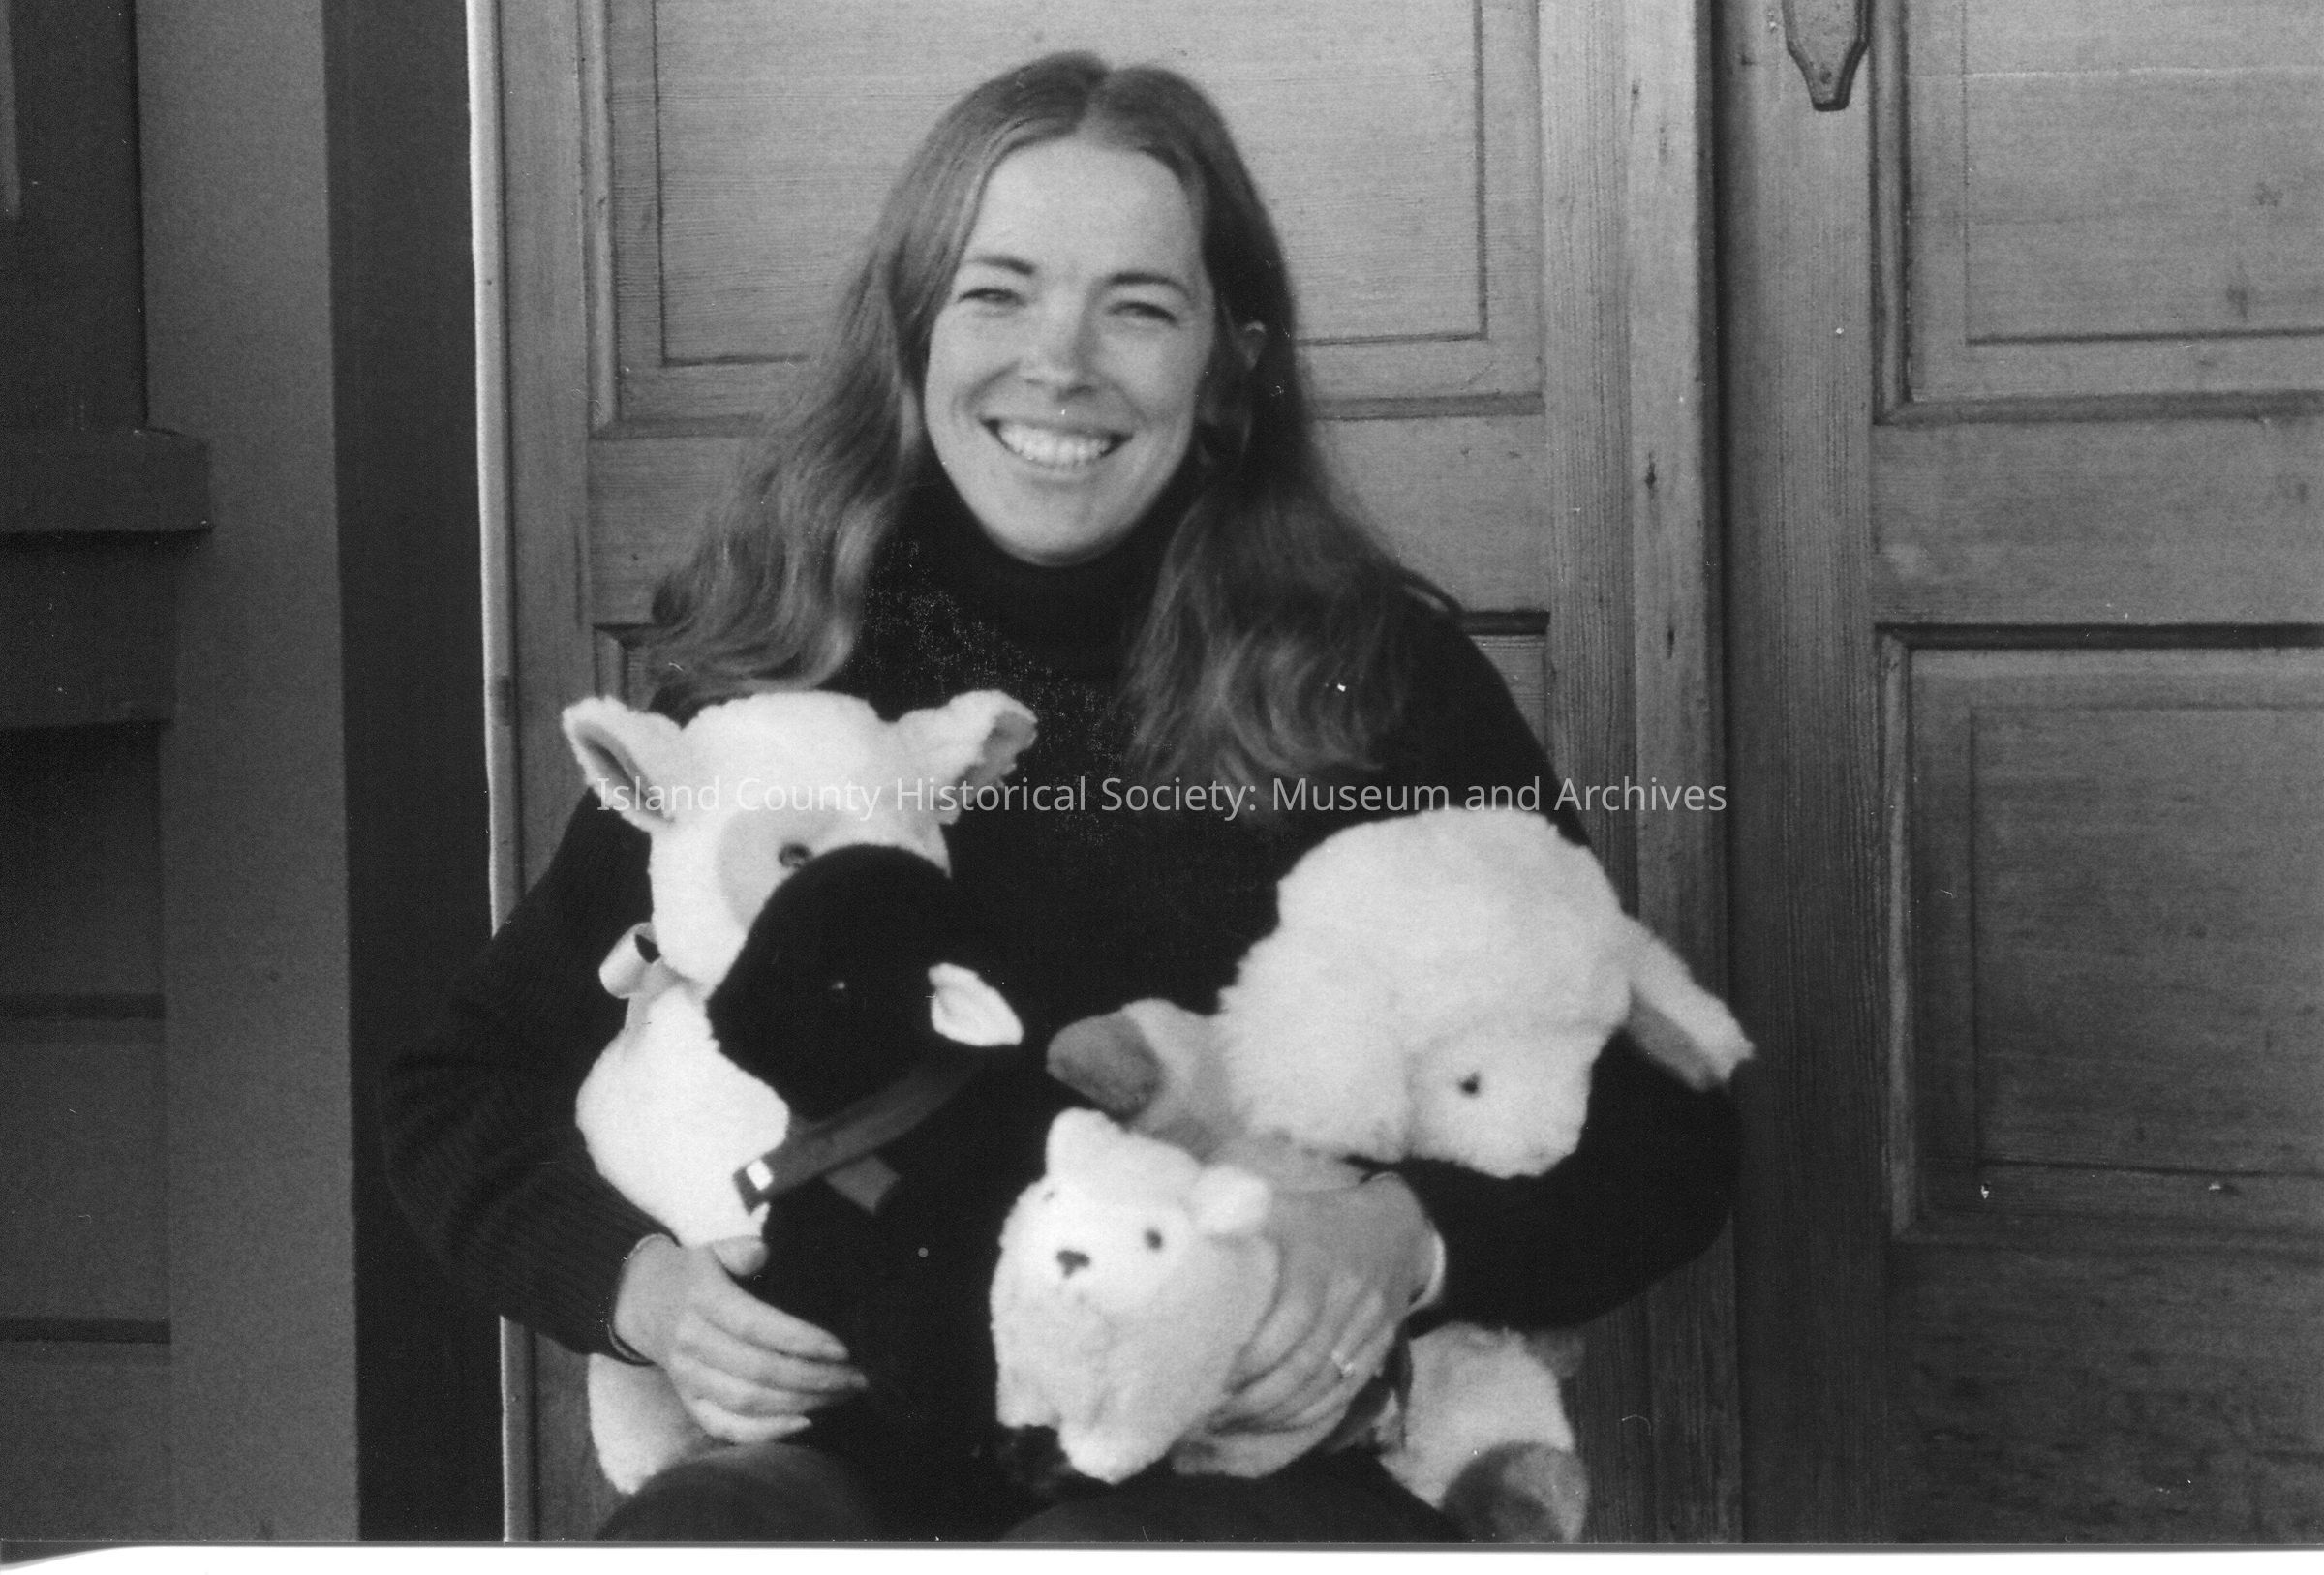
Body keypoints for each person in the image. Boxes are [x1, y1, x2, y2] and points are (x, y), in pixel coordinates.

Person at [384, 51, 1740, 1543]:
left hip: (1252, 1448)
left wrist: (1405, 1236)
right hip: (854, 1436)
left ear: (1230, 365)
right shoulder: (780, 679)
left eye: (1137, 308)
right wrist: (640, 1289)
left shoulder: (1373, 679)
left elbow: (1666, 1131)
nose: (1061, 363)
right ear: (911, 334)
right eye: (998, 294)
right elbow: (464, 1089)